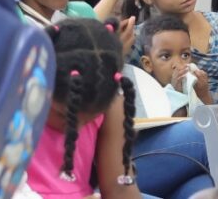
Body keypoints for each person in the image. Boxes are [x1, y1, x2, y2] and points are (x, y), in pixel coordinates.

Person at [26, 18, 141, 198]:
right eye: (63, 115)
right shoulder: (12, 98)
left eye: (90, 120)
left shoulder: (110, 104)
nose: (77, 129)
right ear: (40, 83)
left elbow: (118, 187)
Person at [138, 15, 213, 117]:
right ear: (148, 64)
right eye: (166, 56)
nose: (179, 64)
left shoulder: (192, 91)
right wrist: (177, 95)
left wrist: (203, 94)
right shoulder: (147, 96)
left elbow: (209, 120)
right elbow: (169, 124)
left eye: (185, 55)